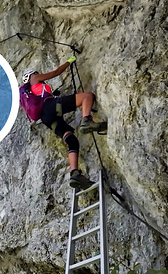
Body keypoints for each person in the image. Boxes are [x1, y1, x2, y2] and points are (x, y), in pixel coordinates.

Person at [22, 56, 107, 189]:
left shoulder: (31, 94)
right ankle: (86, 120)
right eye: (36, 73)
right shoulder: (35, 79)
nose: (39, 75)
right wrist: (69, 61)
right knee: (87, 97)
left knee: (71, 140)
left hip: (47, 119)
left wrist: (53, 95)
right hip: (50, 107)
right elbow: (56, 72)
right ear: (31, 75)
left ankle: (74, 173)